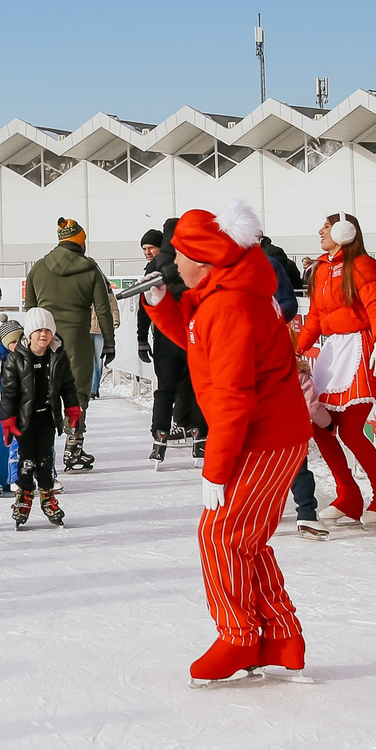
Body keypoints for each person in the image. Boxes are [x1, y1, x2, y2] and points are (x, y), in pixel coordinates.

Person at [139, 202, 308, 684]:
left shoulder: (231, 304)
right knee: (245, 539)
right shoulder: (224, 294)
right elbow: (199, 340)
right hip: (272, 434)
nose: (172, 267)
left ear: (205, 260)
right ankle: (280, 634)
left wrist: (215, 469)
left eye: (179, 258)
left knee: (221, 536)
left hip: (263, 436)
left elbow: (234, 397)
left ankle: (238, 637)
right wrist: (160, 307)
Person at [293, 216, 376, 524]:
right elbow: (316, 315)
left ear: (344, 232)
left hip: (360, 348)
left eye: (327, 227)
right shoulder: (320, 270)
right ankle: (348, 495)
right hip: (334, 351)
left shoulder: (361, 265)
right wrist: (297, 349)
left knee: (352, 430)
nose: (320, 231)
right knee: (319, 425)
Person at [23, 218, 116, 469]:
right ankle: (73, 446)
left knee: (42, 391)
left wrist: (31, 341)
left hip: (44, 339)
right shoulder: (90, 269)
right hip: (77, 340)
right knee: (77, 393)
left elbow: (30, 309)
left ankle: (40, 449)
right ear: (81, 241)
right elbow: (103, 309)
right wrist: (109, 342)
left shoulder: (38, 268)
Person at [0, 306, 75, 530]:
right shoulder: (15, 359)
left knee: (46, 461)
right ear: (29, 334)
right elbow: (9, 393)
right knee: (26, 460)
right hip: (25, 421)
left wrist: (72, 409)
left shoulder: (57, 356)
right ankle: (24, 498)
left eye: (48, 330)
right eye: (38, 330)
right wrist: (7, 420)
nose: (43, 335)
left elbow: (68, 387)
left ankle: (48, 498)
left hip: (47, 419)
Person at [136, 227, 202, 465]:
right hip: (193, 334)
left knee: (164, 389)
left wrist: (142, 337)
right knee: (194, 385)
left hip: (165, 336)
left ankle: (160, 434)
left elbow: (145, 305)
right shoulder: (191, 261)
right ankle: (198, 433)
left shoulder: (156, 265)